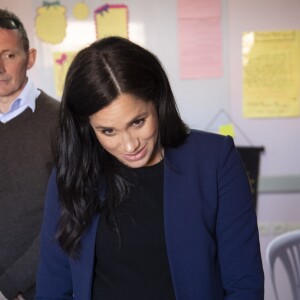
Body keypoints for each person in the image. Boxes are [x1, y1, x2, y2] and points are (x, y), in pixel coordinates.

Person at [35, 36, 264, 299]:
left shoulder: (214, 160)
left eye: (138, 122)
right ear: (87, 125)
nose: (130, 145)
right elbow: (53, 287)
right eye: (108, 131)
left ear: (157, 99)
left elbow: (244, 284)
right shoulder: (72, 174)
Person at [0, 9, 60, 300]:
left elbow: (70, 216)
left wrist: (11, 285)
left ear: (30, 58)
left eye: (9, 55)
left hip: (37, 289)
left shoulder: (62, 121)